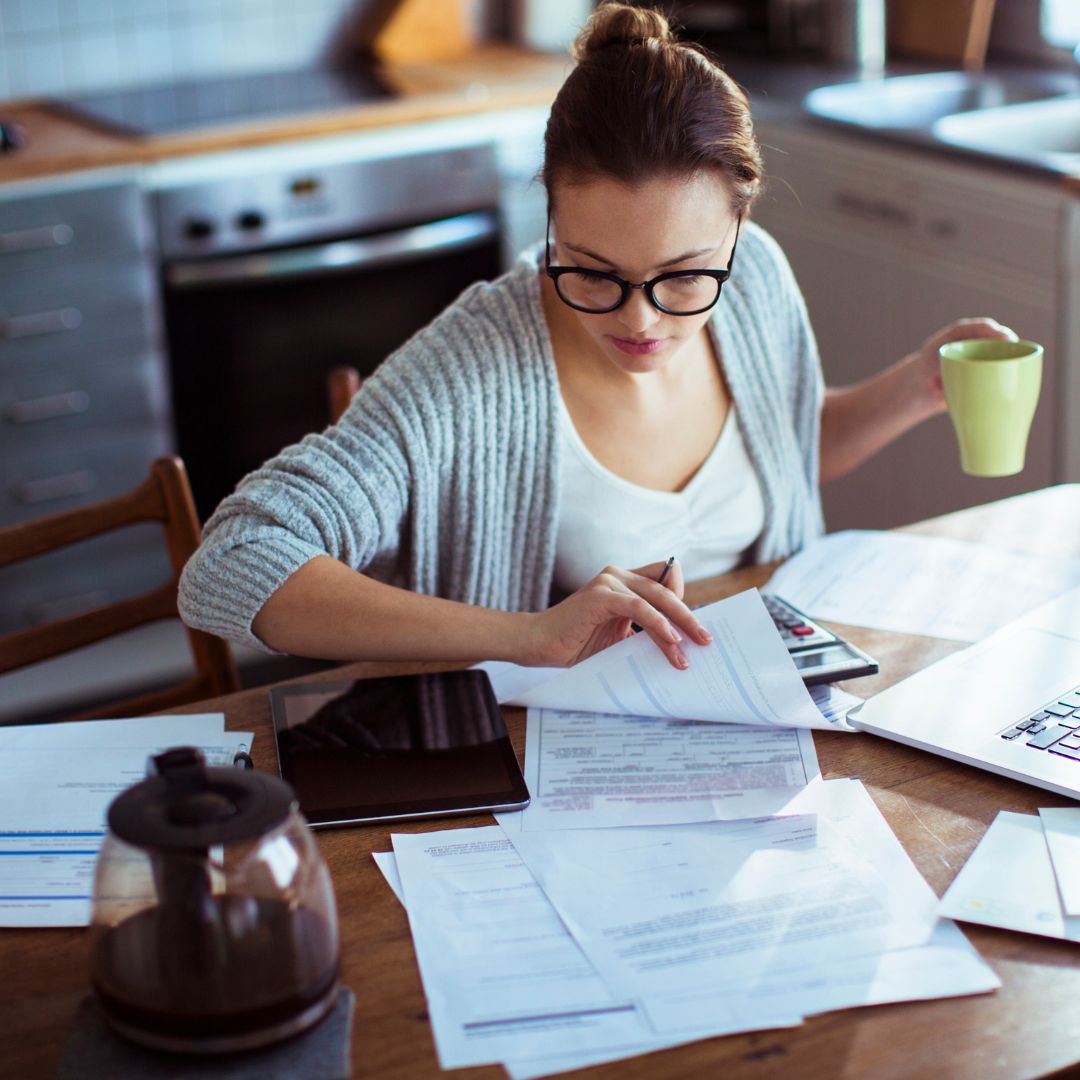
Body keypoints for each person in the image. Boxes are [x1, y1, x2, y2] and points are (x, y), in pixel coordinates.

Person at [178, 1, 1013, 673]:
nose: (639, 319)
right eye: (593, 270)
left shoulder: (754, 278)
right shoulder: (472, 370)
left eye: (685, 276)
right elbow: (231, 565)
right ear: (549, 215)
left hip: (758, 712)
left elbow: (786, 443)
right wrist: (527, 635)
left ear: (739, 226)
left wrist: (915, 387)